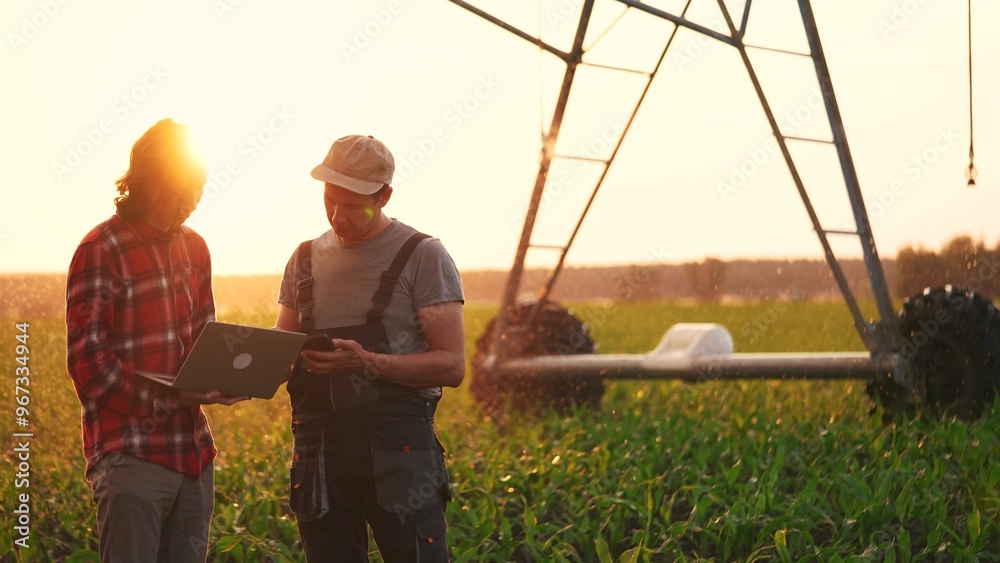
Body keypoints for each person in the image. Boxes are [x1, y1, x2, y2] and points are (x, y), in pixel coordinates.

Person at [274, 134, 466, 561]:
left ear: (384, 196)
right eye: (330, 200)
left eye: (352, 204)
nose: (338, 216)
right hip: (317, 447)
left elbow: (452, 366)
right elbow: (281, 355)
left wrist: (369, 363)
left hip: (400, 448)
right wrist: (232, 372)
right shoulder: (303, 259)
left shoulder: (423, 256)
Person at [65, 118, 246, 563]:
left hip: (194, 456)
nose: (191, 201)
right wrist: (173, 396)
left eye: (199, 189)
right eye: (182, 189)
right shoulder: (101, 248)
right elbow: (89, 365)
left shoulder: (196, 248)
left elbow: (207, 337)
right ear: (149, 182)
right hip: (131, 456)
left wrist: (230, 375)